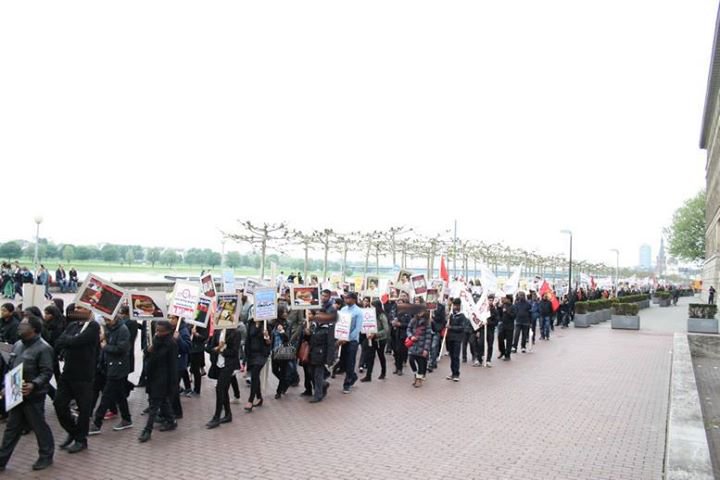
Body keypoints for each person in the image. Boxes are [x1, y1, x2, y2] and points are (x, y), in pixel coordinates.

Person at [0, 316, 55, 471]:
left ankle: (46, 456)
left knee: (39, 427)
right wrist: (6, 386)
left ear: (34, 329)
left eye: (23, 325)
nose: (19, 327)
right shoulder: (17, 345)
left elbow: (46, 372)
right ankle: (2, 459)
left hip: (33, 396)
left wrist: (33, 385)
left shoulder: (44, 348)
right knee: (12, 428)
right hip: (16, 392)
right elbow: (10, 368)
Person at [53, 305, 99, 454]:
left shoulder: (93, 326)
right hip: (67, 372)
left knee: (84, 409)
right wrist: (71, 340)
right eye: (77, 307)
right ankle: (73, 431)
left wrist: (71, 340)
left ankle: (81, 439)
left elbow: (77, 341)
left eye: (81, 308)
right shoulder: (72, 325)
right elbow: (59, 342)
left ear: (89, 311)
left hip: (84, 374)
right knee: (59, 404)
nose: (77, 310)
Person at [88, 312, 132, 435]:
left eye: (108, 320)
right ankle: (127, 419)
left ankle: (97, 423)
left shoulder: (123, 330)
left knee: (106, 396)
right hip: (108, 366)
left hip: (117, 367)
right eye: (105, 320)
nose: (106, 322)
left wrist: (105, 347)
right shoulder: (109, 328)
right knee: (120, 395)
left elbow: (121, 349)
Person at [139, 321, 177, 443]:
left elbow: (168, 362)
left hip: (163, 378)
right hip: (153, 375)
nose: (158, 333)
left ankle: (147, 430)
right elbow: (147, 353)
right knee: (162, 401)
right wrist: (148, 350)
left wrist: (172, 383)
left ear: (168, 331)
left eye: (161, 331)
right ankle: (171, 420)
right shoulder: (155, 339)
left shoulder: (170, 343)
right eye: (157, 330)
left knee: (154, 405)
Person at [205, 326, 240, 429]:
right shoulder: (217, 331)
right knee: (223, 390)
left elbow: (234, 352)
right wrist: (217, 348)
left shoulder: (235, 333)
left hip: (229, 365)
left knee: (219, 388)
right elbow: (208, 348)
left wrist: (222, 350)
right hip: (218, 365)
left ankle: (216, 417)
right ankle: (228, 414)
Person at [244, 318, 271, 412]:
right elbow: (248, 338)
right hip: (251, 354)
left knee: (255, 374)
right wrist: (245, 357)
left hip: (261, 354)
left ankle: (250, 400)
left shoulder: (266, 324)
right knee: (255, 376)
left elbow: (269, 343)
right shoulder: (250, 323)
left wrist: (267, 337)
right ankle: (259, 397)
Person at [338, 292, 363, 394]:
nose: (346, 300)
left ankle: (347, 384)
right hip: (342, 339)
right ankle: (353, 376)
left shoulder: (358, 312)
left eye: (348, 298)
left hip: (352, 341)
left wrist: (347, 338)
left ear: (354, 299)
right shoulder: (343, 310)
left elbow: (357, 329)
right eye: (345, 298)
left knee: (350, 362)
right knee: (342, 361)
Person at [167, 316, 190, 419]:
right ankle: (177, 411)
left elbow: (187, 347)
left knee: (173, 388)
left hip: (179, 364)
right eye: (169, 317)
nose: (170, 320)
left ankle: (172, 412)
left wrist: (179, 339)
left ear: (178, 319)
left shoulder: (183, 331)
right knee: (173, 389)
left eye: (172, 318)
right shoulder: (170, 329)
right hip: (172, 362)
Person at [360, 300, 389, 382]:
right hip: (371, 339)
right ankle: (368, 376)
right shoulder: (370, 316)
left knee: (381, 356)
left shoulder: (382, 316)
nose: (371, 308)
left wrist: (376, 334)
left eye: (373, 306)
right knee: (370, 357)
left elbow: (386, 329)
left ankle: (383, 372)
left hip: (380, 340)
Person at [41, 305, 65, 401]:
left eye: (47, 314)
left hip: (52, 353)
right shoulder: (46, 324)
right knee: (55, 372)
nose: (45, 316)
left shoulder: (57, 327)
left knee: (51, 373)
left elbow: (55, 341)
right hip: (50, 353)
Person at [406, 308, 432, 387]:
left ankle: (419, 379)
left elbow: (428, 337)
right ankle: (415, 374)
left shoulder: (427, 323)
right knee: (411, 360)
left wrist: (426, 349)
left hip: (422, 345)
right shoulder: (413, 320)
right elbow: (408, 329)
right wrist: (411, 336)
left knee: (421, 363)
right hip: (413, 344)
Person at [390, 291, 412, 376]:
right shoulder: (395, 312)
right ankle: (397, 367)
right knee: (396, 351)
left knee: (401, 351)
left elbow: (409, 324)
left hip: (403, 334)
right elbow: (390, 317)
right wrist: (392, 322)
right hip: (395, 334)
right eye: (398, 302)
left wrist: (401, 324)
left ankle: (400, 368)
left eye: (401, 303)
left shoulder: (407, 312)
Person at [446, 299, 467, 382]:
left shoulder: (462, 316)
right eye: (453, 305)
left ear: (459, 305)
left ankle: (456, 373)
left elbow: (462, 327)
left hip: (457, 338)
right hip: (450, 338)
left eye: (456, 305)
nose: (454, 307)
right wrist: (447, 321)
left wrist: (451, 327)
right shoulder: (451, 315)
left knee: (456, 356)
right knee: (451, 356)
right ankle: (452, 372)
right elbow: (448, 325)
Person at [188, 324, 208, 397]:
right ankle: (189, 387)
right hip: (190, 348)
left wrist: (196, 334)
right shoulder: (190, 324)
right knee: (192, 368)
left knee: (196, 370)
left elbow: (204, 338)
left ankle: (197, 389)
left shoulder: (202, 325)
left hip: (197, 350)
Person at [498, 295, 516, 361]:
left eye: (506, 299)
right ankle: (502, 351)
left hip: (510, 326)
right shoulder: (503, 305)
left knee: (509, 341)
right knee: (500, 338)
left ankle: (507, 355)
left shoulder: (513, 307)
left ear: (509, 299)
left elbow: (514, 316)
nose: (505, 300)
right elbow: (500, 314)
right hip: (503, 325)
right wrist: (499, 308)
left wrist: (507, 312)